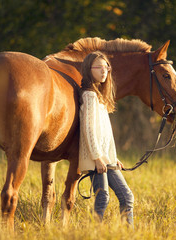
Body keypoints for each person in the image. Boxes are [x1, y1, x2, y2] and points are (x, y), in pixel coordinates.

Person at [79, 51, 134, 226]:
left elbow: (105, 133)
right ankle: (95, 232)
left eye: (106, 67)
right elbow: (88, 129)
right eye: (99, 68)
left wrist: (112, 157)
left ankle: (128, 234)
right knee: (103, 197)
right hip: (97, 158)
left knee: (127, 196)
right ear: (89, 69)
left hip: (106, 158)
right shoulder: (89, 95)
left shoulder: (100, 97)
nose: (104, 71)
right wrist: (97, 157)